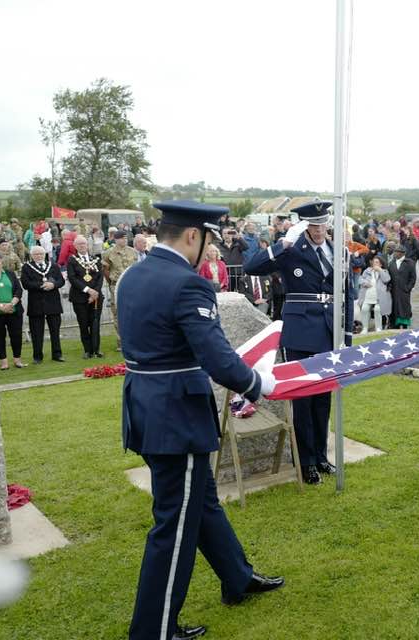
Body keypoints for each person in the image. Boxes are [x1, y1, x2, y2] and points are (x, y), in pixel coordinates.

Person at [118, 200, 283, 640]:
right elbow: (218, 359)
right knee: (174, 524)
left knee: (201, 500)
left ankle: (237, 577)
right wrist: (258, 383)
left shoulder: (131, 275)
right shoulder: (187, 285)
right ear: (194, 236)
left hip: (147, 406)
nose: (207, 248)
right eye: (207, 240)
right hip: (177, 415)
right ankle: (153, 629)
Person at [244, 201, 354, 485]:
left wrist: (347, 338)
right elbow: (251, 266)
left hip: (329, 331)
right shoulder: (291, 250)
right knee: (303, 398)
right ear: (304, 225)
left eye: (322, 224)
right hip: (301, 330)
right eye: (313, 225)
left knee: (323, 397)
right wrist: (282, 244)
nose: (319, 230)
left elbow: (347, 295)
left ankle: (319, 454)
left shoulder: (339, 251)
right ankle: (305, 461)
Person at [20, 245, 65, 364]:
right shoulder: (26, 267)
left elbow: (61, 281)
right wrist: (42, 285)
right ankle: (37, 356)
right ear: (32, 255)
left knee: (55, 331)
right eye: (36, 254)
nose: (39, 256)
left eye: (40, 254)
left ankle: (57, 354)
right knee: (36, 332)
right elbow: (25, 283)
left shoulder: (53, 266)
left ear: (44, 254)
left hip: (53, 303)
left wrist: (53, 285)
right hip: (36, 304)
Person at [101, 229, 139, 351]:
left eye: (126, 238)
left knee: (134, 312)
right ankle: (121, 342)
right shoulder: (108, 253)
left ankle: (135, 339)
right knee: (118, 313)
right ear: (116, 239)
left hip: (131, 285)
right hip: (116, 285)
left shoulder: (133, 252)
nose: (124, 240)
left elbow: (136, 268)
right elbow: (105, 270)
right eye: (122, 238)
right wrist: (111, 283)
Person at [67, 235, 104, 359]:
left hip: (96, 297)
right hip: (79, 297)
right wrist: (88, 290)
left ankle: (96, 349)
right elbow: (72, 278)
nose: (82, 246)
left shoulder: (96, 259)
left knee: (95, 323)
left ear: (87, 245)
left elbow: (100, 277)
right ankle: (88, 350)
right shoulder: (72, 260)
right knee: (83, 324)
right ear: (75, 246)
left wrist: (95, 292)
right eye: (79, 244)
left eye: (84, 243)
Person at [358, 254, 391, 333]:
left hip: (379, 297)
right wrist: (365, 283)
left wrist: (380, 270)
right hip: (368, 295)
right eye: (374, 262)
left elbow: (386, 279)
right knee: (364, 309)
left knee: (377, 309)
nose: (375, 264)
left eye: (377, 262)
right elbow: (360, 280)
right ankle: (365, 328)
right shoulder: (367, 270)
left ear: (381, 264)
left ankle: (378, 327)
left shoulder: (384, 271)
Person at [388, 244, 416, 329]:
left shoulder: (409, 263)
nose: (395, 253)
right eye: (395, 252)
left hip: (404, 290)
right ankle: (395, 324)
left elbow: (413, 277)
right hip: (394, 290)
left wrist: (408, 288)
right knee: (395, 306)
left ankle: (404, 324)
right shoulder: (392, 263)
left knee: (404, 306)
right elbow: (389, 276)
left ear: (402, 253)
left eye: (397, 252)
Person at [217, 226, 247, 292]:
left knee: (241, 292)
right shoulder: (219, 246)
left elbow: (246, 247)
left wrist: (239, 237)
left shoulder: (238, 243)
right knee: (229, 292)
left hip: (239, 273)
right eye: (224, 233)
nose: (226, 235)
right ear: (222, 235)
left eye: (228, 233)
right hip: (227, 274)